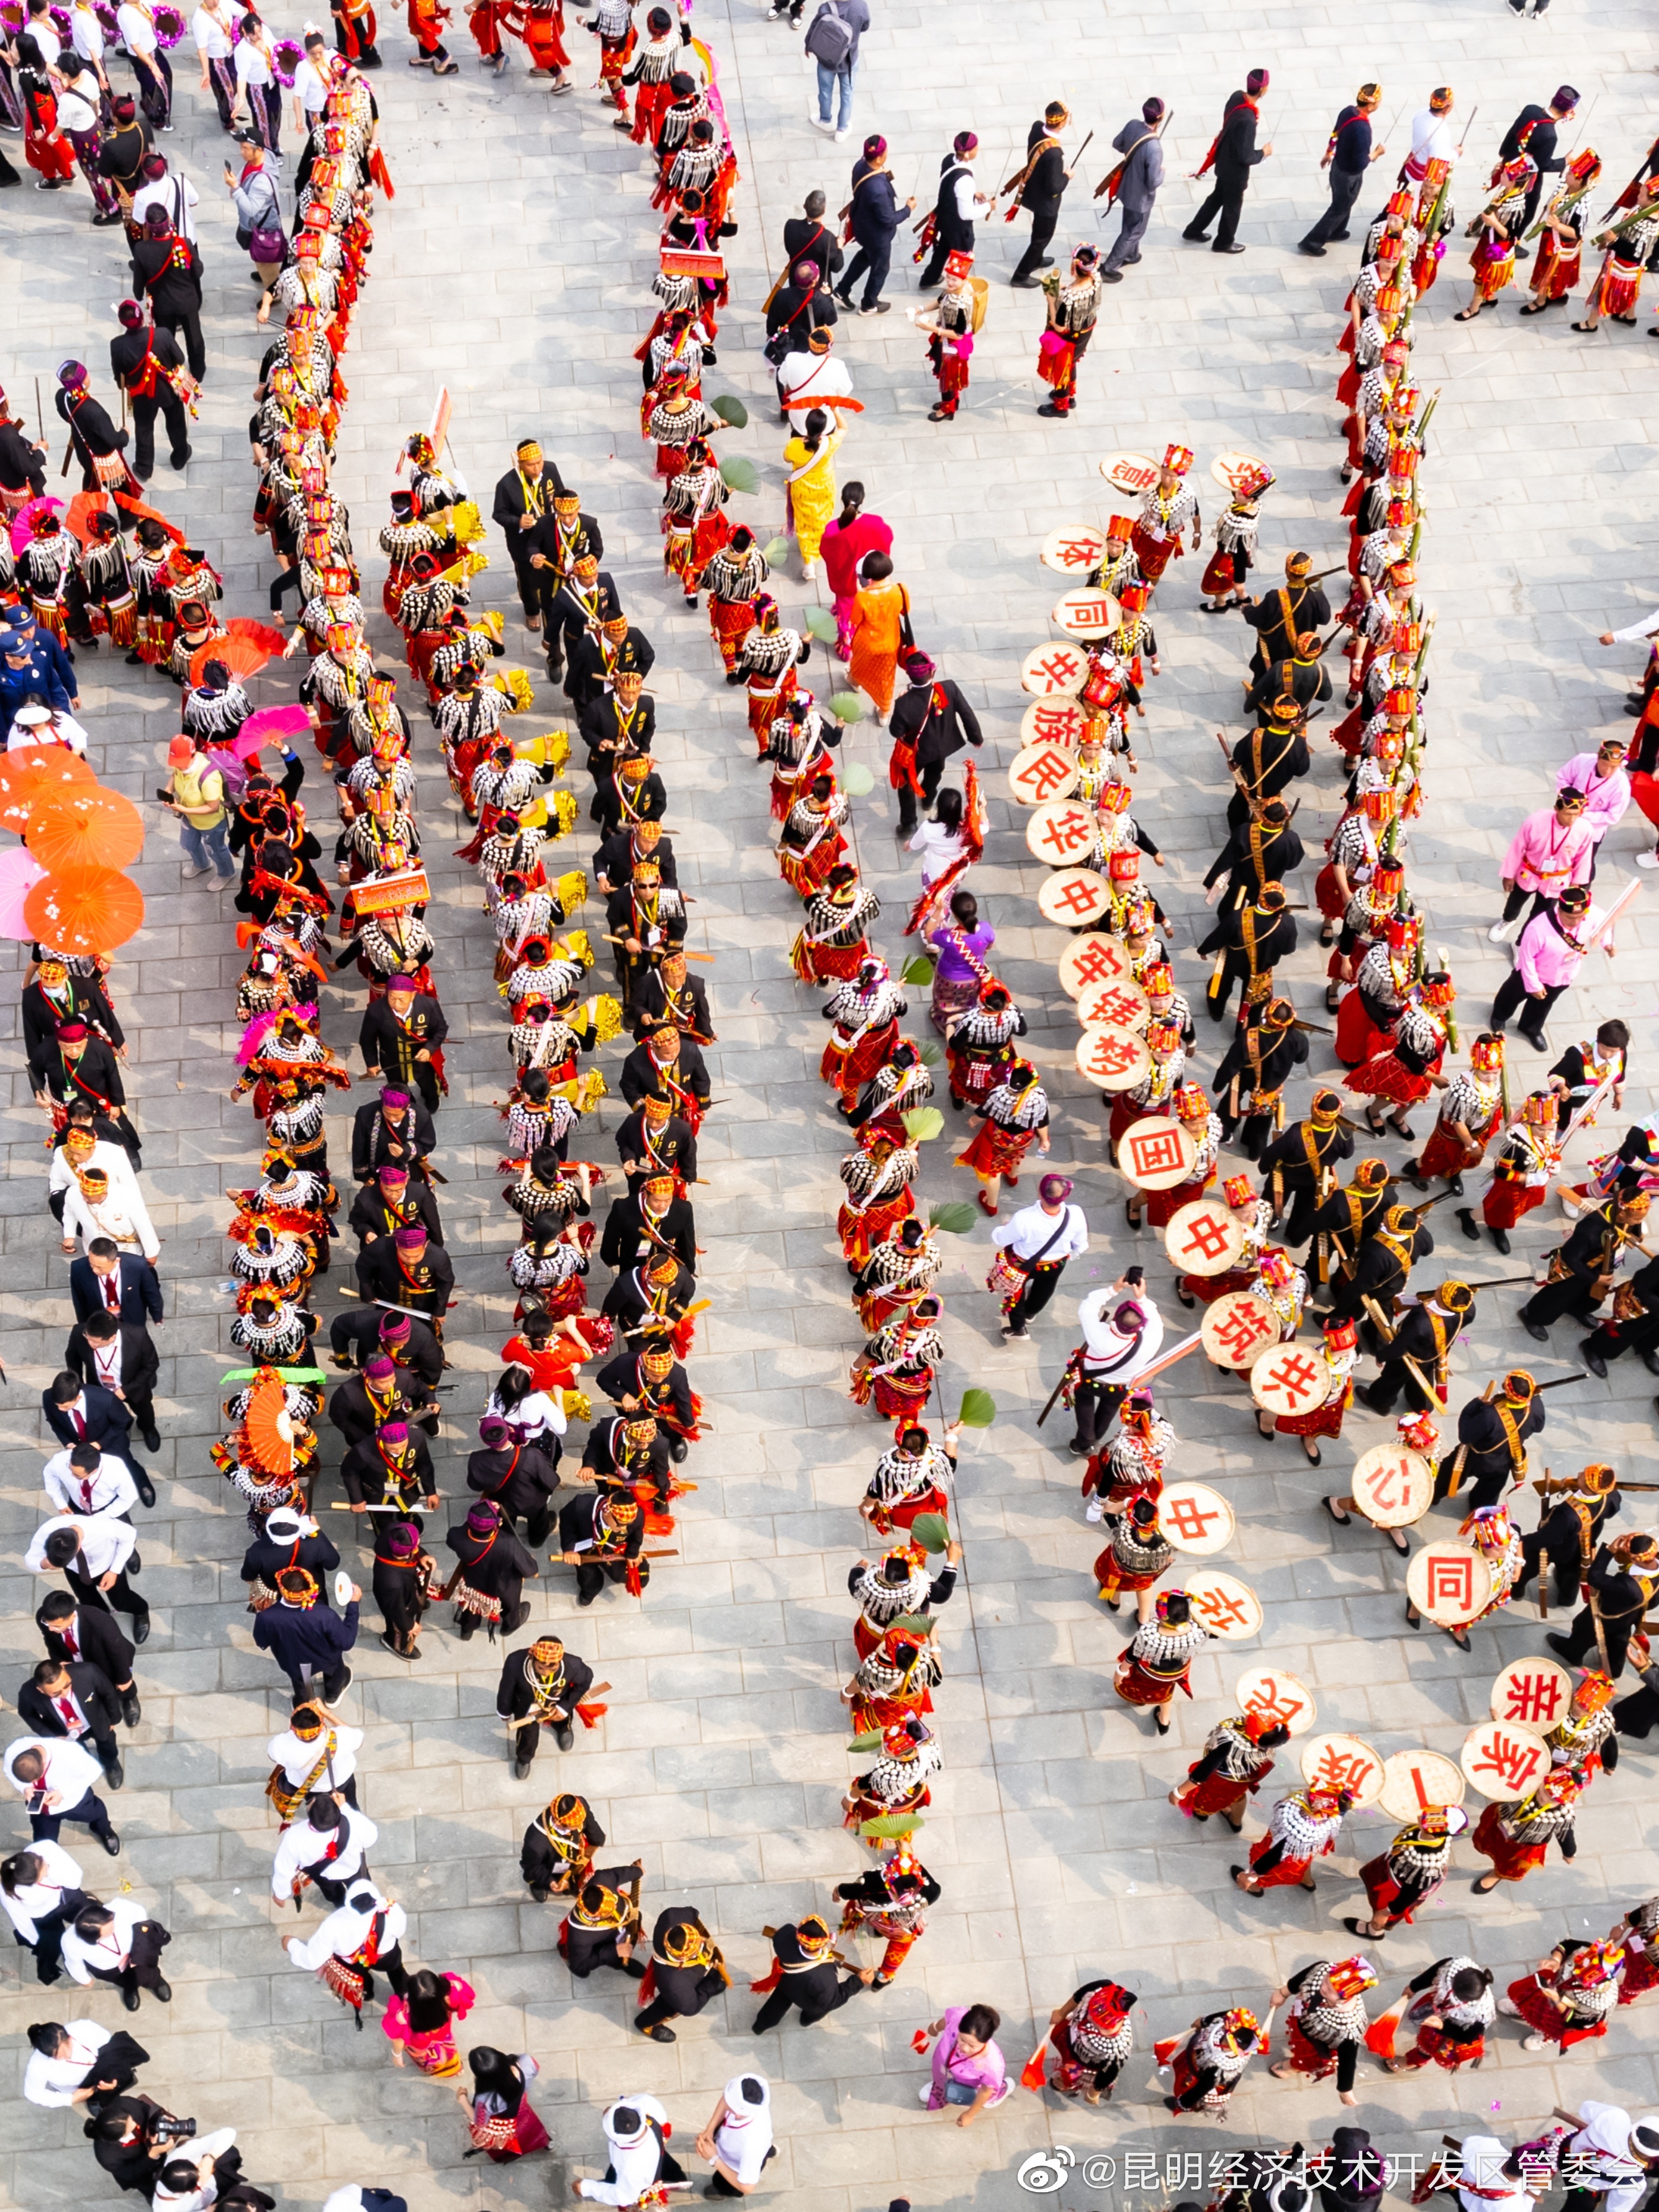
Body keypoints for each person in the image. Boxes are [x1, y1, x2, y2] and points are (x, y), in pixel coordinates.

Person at [1184, 69, 1273, 253]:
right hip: (1235, 172)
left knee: (1216, 199)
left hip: (1223, 160)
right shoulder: (1248, 120)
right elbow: (1246, 156)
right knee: (1232, 208)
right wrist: (1263, 152)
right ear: (1263, 90)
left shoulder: (1236, 97)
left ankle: (1193, 230)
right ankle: (1224, 242)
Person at [990, 1172, 1088, 1339]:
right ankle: (1030, 1313)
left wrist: (1003, 1228)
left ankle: (1018, 1328)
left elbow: (1002, 1239)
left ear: (1040, 1193)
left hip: (1022, 1264)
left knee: (1016, 1292)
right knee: (1046, 1287)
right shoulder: (1076, 1214)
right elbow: (1080, 1244)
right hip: (1056, 1262)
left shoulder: (1024, 1218)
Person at [109, 298, 192, 478]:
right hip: (168, 389)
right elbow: (180, 358)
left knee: (144, 428)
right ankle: (180, 455)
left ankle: (145, 467)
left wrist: (123, 385)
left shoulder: (117, 345)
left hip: (142, 394)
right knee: (176, 422)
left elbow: (120, 376)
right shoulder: (162, 335)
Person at [251, 1566, 359, 1703]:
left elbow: (261, 1641)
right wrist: (353, 1605)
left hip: (295, 1662)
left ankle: (305, 1702)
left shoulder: (267, 1617)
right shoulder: (325, 1614)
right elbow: (346, 1642)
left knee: (301, 1684)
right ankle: (333, 1695)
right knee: (336, 1672)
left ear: (282, 1590)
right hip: (327, 1657)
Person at [750, 1913, 874, 2030]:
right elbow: (831, 2002)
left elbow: (780, 1935)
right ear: (825, 1942)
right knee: (816, 2012)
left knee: (774, 2008)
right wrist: (858, 1982)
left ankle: (760, 2026)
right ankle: (805, 2021)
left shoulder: (784, 1934)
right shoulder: (824, 1978)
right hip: (809, 2000)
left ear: (798, 1937)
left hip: (786, 1983)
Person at [1301, 85, 1385, 255]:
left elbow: (1335, 133)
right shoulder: (1363, 129)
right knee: (1340, 207)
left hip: (1338, 166)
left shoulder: (1347, 111)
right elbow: (1361, 162)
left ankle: (1337, 230)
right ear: (1370, 106)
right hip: (1349, 175)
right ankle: (1312, 242)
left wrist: (1329, 152)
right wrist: (1376, 153)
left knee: (1345, 203)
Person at [19, 1657, 125, 1787]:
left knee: (108, 1745)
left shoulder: (88, 1672)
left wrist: (113, 1719)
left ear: (64, 1670)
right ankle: (86, 1764)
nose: (65, 1693)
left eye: (67, 1685)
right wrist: (52, 1736)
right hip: (63, 1731)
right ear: (41, 1691)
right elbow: (27, 1714)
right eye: (56, 1693)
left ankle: (110, 1764)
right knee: (77, 1752)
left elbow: (108, 1693)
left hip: (97, 1721)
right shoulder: (28, 1693)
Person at [836, 134, 911, 315]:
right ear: (879, 158)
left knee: (865, 257)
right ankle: (869, 304)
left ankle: (842, 289)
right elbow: (888, 219)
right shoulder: (877, 189)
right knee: (881, 268)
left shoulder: (860, 166)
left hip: (862, 224)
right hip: (877, 236)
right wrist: (908, 209)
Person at [4, 1736, 120, 1852]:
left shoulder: (69, 1751)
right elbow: (8, 1771)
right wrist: (26, 1788)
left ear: (44, 1764)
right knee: (43, 1842)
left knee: (96, 1814)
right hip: (42, 1809)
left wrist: (63, 1792)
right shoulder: (13, 1751)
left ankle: (104, 1831)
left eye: (36, 1779)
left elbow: (94, 1771)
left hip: (74, 1802)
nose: (34, 1783)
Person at [1005, 100, 1072, 288]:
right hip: (1046, 204)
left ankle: (1037, 259)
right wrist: (1067, 176)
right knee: (1042, 238)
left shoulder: (1036, 129)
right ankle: (1021, 274)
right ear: (1062, 122)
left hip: (1033, 190)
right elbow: (1054, 187)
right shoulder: (1054, 154)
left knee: (1038, 232)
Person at [62, 1900, 171, 2011]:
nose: (114, 1927)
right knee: (122, 1980)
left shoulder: (118, 1907)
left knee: (148, 1971)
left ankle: (155, 1982)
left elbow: (139, 1912)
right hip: (110, 1968)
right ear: (97, 1939)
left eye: (112, 1923)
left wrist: (142, 1936)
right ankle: (130, 1989)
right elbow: (74, 1964)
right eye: (110, 1930)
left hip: (136, 1951)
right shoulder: (70, 1943)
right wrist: (84, 1980)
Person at [1100, 97, 1166, 279]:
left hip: (1127, 186)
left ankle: (1132, 254)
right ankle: (1109, 268)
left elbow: (1117, 143)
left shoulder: (1132, 125)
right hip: (1141, 197)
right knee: (1134, 231)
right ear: (1160, 118)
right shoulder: (1155, 148)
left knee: (1130, 223)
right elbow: (1153, 181)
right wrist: (1162, 172)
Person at [575, 2095, 686, 2203]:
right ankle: (677, 2177)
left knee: (613, 2180)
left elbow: (624, 2196)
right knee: (666, 2164)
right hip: (656, 2152)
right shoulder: (649, 2105)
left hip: (636, 2180)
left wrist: (587, 2188)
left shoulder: (630, 2168)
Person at [920, 2003, 1009, 2124]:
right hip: (943, 2065)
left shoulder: (993, 2065)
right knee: (941, 2082)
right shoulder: (958, 2016)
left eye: (973, 2046)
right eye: (962, 2039)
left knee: (987, 2094)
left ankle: (1002, 2091)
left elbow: (985, 2090)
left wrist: (970, 2114)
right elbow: (945, 2021)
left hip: (969, 2084)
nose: (965, 2049)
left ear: (986, 2041)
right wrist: (934, 2028)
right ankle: (940, 2087)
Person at [456, 2048, 549, 2163]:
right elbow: (536, 2070)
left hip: (502, 2123)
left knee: (508, 2142)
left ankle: (510, 2156)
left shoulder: (484, 2100)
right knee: (532, 2131)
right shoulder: (526, 2061)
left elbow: (480, 2122)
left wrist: (463, 2099)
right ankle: (547, 2144)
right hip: (522, 2110)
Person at [917, 130, 982, 286]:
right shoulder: (965, 179)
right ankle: (955, 287)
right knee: (961, 257)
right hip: (959, 227)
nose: (978, 149)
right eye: (975, 147)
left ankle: (929, 278)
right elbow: (967, 213)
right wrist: (988, 206)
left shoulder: (948, 161)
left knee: (943, 249)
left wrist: (973, 194)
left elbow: (953, 187)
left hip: (944, 218)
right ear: (967, 153)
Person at [783, 406, 841, 578]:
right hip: (825, 484)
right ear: (824, 428)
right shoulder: (829, 443)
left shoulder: (794, 445)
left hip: (802, 487)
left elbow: (786, 458)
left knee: (804, 522)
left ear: (806, 426)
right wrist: (835, 410)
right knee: (822, 517)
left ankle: (809, 562)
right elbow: (844, 429)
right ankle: (821, 542)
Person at [696, 2076, 774, 2198]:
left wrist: (714, 2159)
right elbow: (725, 2100)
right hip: (739, 2142)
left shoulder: (752, 2147)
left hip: (736, 2165)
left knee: (721, 2182)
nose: (724, 2099)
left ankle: (727, 2192)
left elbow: (747, 2187)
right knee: (764, 2151)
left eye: (729, 2101)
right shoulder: (752, 2101)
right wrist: (710, 2129)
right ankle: (770, 2151)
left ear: (737, 2112)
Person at [803, 0, 867, 140]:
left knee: (825, 92)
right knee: (847, 94)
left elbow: (814, 29)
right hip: (849, 60)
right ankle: (842, 129)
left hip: (827, 60)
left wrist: (808, 46)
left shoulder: (826, 8)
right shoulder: (860, 5)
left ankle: (825, 120)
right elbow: (865, 26)